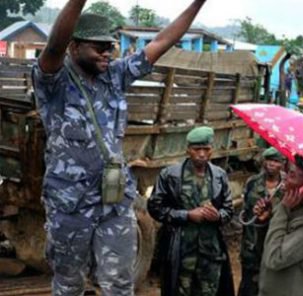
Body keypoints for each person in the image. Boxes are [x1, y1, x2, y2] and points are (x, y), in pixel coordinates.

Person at [34, 1, 208, 293]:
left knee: (119, 283)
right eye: (99, 46)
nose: (107, 52)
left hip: (114, 201)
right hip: (70, 205)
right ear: (74, 47)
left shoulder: (115, 75)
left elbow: (163, 41)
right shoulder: (54, 81)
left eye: (111, 46)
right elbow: (54, 46)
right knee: (68, 284)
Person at [148, 126, 234, 296]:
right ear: (188, 150)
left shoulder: (219, 175)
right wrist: (187, 215)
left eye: (206, 149)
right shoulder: (170, 175)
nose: (201, 154)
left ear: (212, 150)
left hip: (211, 255)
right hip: (181, 254)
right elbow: (155, 208)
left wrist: (218, 216)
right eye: (197, 149)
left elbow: (229, 210)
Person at [256, 155, 303, 296]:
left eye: (292, 176)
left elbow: (274, 258)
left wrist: (282, 210)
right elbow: (269, 245)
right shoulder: (294, 208)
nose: (284, 181)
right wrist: (265, 219)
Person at [238, 147, 286, 296]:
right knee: (249, 285)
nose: (271, 164)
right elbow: (245, 211)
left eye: (276, 161)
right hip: (252, 245)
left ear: (282, 164)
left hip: (275, 245)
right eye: (269, 160)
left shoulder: (288, 186)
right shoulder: (253, 182)